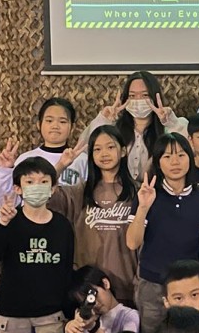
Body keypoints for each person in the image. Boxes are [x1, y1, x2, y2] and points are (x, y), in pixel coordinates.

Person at [128, 132, 199, 333]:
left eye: (181, 155)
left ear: (190, 159)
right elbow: (132, 242)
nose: (175, 162)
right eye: (167, 156)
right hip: (153, 285)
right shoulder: (147, 195)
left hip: (189, 286)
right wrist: (143, 207)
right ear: (158, 162)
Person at [0, 156, 74, 333]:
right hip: (13, 316)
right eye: (30, 182)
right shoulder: (9, 221)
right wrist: (2, 223)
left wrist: (68, 310)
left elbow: (66, 270)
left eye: (44, 182)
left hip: (51, 315)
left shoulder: (62, 226)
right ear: (18, 188)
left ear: (53, 188)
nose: (37, 186)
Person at [51, 125, 139, 304]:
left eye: (110, 147)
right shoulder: (80, 192)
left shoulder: (138, 191)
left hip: (128, 288)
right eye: (97, 149)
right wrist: (61, 165)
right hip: (87, 287)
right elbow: (45, 195)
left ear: (123, 151)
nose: (104, 153)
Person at [66, 71, 189, 183]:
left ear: (155, 97)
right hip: (118, 193)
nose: (138, 100)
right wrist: (104, 120)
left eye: (145, 95)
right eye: (132, 96)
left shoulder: (170, 127)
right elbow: (85, 148)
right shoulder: (114, 129)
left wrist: (170, 122)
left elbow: (189, 149)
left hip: (157, 192)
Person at [0, 97, 81, 208]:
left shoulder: (82, 159)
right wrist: (4, 170)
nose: (55, 126)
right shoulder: (26, 159)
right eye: (49, 120)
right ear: (39, 124)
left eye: (62, 121)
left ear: (72, 127)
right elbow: (6, 201)